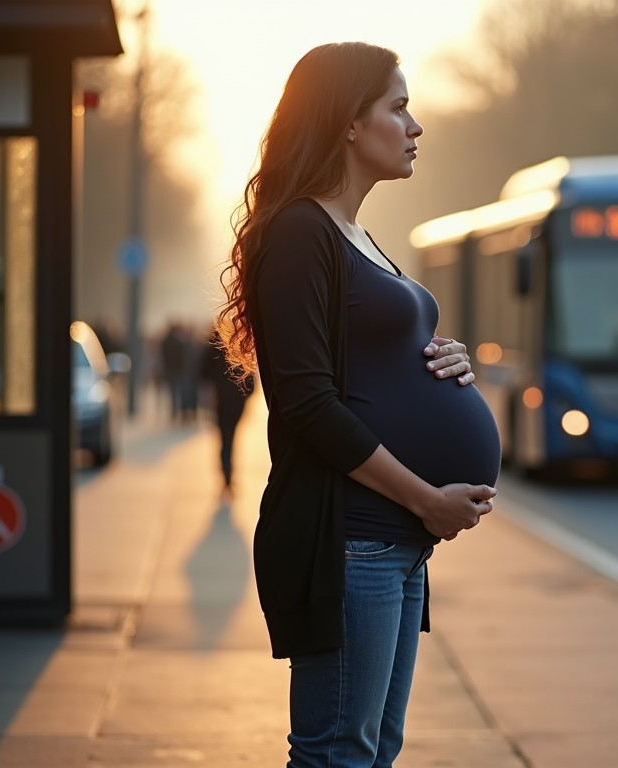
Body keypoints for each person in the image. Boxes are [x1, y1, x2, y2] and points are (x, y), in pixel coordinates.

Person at [217, 42, 501, 768]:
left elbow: (371, 354)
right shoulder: (297, 233)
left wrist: (444, 355)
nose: (415, 126)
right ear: (348, 122)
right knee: (337, 754)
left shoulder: (359, 237)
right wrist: (425, 498)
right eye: (398, 107)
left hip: (396, 542)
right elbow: (306, 405)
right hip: (350, 540)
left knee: (373, 754)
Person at [199, 323, 253, 492]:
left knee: (224, 438)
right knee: (232, 437)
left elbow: (203, 374)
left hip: (220, 400)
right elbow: (250, 380)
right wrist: (246, 396)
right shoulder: (238, 347)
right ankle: (229, 474)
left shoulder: (211, 349)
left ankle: (226, 474)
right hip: (237, 401)